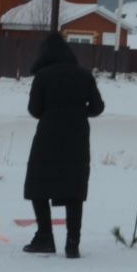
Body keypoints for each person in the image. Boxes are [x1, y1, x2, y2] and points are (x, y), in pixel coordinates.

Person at [21, 33, 105, 258]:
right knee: (74, 189)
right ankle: (72, 243)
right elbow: (97, 107)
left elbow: (34, 109)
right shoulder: (84, 75)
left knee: (39, 186)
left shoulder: (43, 76)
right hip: (77, 137)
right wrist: (78, 112)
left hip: (48, 136)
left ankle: (45, 237)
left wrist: (53, 113)